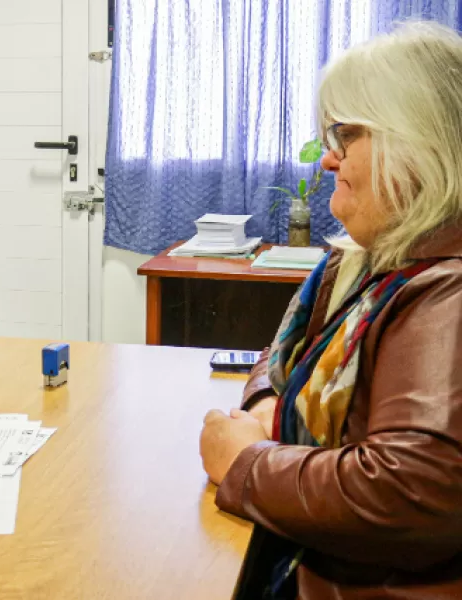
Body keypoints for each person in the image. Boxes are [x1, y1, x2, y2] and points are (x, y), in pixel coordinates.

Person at [199, 22, 462, 599]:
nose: (327, 160)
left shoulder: (446, 290)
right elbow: (281, 355)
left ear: (417, 142)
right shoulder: (362, 261)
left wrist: (246, 463)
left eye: (346, 135)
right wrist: (268, 402)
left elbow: (407, 497)